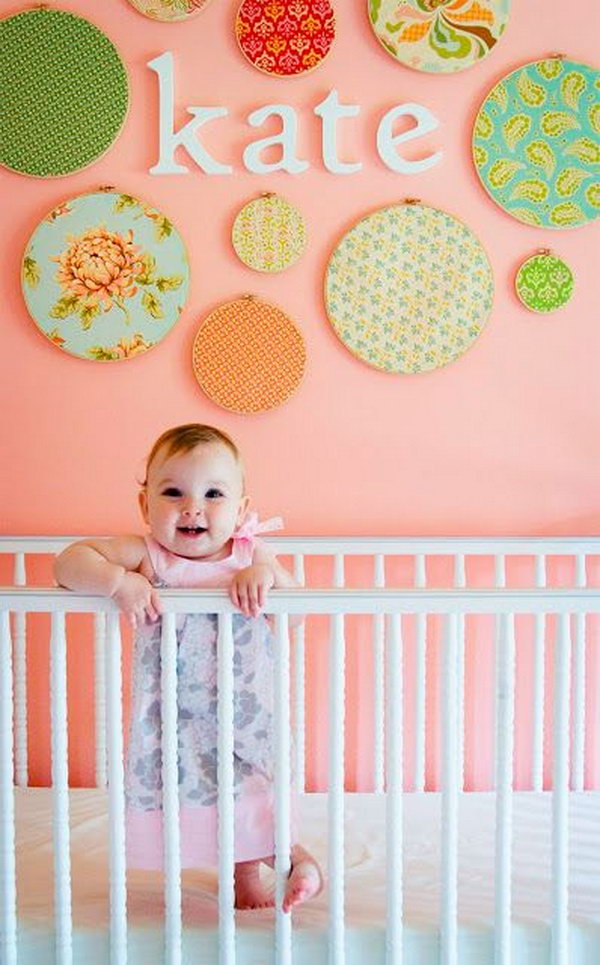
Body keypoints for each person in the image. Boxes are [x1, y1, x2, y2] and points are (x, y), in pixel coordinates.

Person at [54, 423, 322, 911]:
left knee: (250, 794)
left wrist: (268, 577)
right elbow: (68, 564)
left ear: (241, 509)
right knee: (191, 794)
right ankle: (254, 871)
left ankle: (269, 869)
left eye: (213, 493)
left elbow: (299, 613)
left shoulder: (249, 556)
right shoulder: (148, 558)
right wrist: (117, 582)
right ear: (145, 506)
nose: (192, 507)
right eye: (173, 492)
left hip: (244, 715)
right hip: (172, 719)